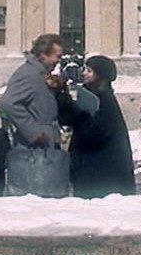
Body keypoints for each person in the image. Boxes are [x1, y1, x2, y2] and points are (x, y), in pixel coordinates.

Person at [0, 33, 68, 197]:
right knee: (35, 195)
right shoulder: (28, 74)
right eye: (56, 56)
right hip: (34, 147)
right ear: (43, 54)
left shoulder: (40, 73)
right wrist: (33, 130)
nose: (58, 60)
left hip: (46, 144)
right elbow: (8, 103)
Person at [58, 55, 136, 199]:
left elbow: (93, 132)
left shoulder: (105, 101)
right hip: (88, 171)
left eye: (89, 71)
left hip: (103, 177)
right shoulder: (88, 95)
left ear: (101, 75)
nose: (84, 73)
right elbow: (71, 118)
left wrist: (77, 114)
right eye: (84, 69)